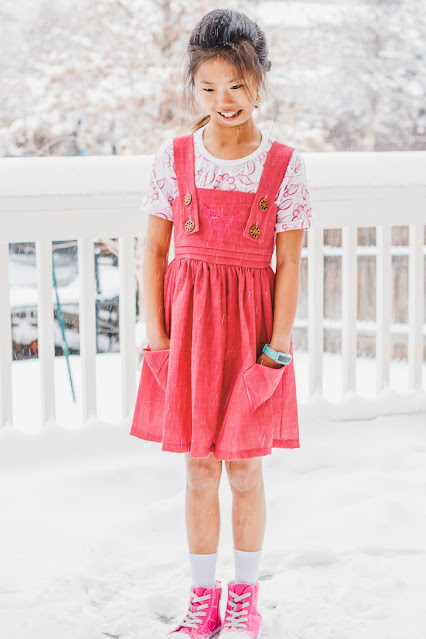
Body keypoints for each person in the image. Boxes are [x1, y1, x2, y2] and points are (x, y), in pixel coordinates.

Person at [130, 8, 317, 638]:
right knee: (199, 468)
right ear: (194, 86)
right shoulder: (176, 156)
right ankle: (202, 596)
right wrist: (157, 337)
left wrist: (277, 350)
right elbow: (152, 251)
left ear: (258, 79)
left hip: (250, 336)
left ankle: (244, 595)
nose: (223, 100)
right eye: (208, 87)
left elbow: (289, 260)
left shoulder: (283, 164)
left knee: (244, 468)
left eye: (236, 85)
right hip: (186, 333)